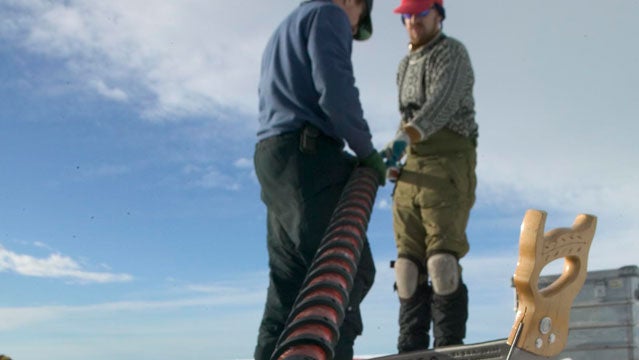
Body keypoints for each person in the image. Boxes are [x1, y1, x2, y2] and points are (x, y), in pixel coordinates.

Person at [252, 0, 386, 359]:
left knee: (289, 289)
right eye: (359, 21)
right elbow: (336, 89)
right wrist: (366, 152)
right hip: (308, 157)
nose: (354, 28)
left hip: (274, 160)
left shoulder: (287, 26)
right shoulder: (329, 14)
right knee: (345, 275)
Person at [381, 0, 478, 352]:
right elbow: (407, 116)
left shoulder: (452, 54)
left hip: (449, 159)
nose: (412, 22)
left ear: (438, 13)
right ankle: (411, 348)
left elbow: (441, 103)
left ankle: (449, 346)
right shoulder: (405, 65)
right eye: (406, 16)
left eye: (420, 13)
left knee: (440, 261)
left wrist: (404, 138)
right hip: (414, 164)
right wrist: (397, 154)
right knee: (406, 266)